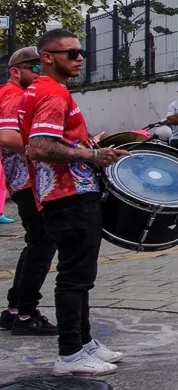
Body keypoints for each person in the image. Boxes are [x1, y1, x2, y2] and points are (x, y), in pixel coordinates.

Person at [19, 29, 128, 376]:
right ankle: (69, 355)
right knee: (74, 277)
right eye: (71, 53)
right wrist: (93, 155)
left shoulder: (46, 90)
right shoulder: (51, 92)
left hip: (67, 194)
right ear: (47, 57)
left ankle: (83, 342)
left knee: (81, 274)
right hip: (68, 196)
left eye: (81, 52)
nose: (79, 57)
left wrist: (87, 147)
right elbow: (40, 147)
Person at [0, 47, 58, 336]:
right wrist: (46, 147)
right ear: (15, 70)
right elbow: (8, 137)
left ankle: (15, 309)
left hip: (25, 182)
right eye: (34, 68)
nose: (40, 72)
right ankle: (26, 315)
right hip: (27, 183)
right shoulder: (13, 96)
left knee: (36, 243)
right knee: (43, 245)